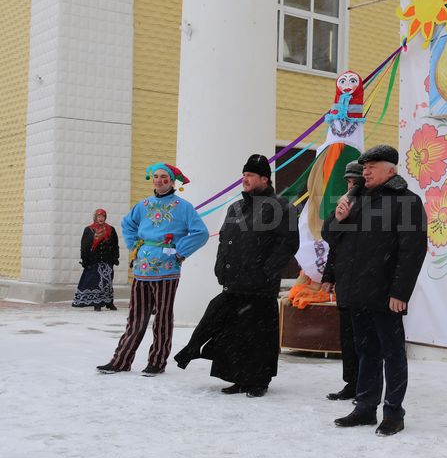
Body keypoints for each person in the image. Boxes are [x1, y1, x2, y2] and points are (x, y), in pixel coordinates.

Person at [173, 154, 299, 397]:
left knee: (258, 334)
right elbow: (224, 240)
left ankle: (258, 380)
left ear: (264, 178)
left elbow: (288, 243)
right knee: (234, 332)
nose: (245, 179)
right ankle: (238, 377)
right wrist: (220, 267)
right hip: (234, 282)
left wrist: (267, 270)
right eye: (243, 175)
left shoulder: (281, 206)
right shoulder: (236, 207)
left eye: (250, 175)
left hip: (261, 286)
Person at [323, 145, 427, 437]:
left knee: (392, 354)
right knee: (366, 351)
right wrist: (338, 219)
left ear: (390, 170)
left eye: (371, 166)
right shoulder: (355, 198)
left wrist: (400, 292)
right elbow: (331, 237)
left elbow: (412, 252)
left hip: (386, 294)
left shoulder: (406, 202)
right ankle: (365, 407)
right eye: (364, 166)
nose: (365, 171)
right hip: (356, 291)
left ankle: (394, 412)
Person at [97, 163, 209, 376]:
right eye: (155, 176)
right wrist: (135, 246)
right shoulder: (143, 205)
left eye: (163, 177)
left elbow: (200, 233)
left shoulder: (183, 207)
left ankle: (157, 362)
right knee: (136, 317)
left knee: (163, 317)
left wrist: (179, 252)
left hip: (167, 269)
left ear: (172, 180)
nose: (159, 180)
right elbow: (127, 224)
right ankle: (121, 360)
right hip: (142, 269)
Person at [321, 160, 364, 401]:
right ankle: (351, 382)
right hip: (346, 282)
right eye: (347, 181)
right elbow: (332, 240)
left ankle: (365, 385)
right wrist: (329, 276)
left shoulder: (371, 206)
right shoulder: (345, 204)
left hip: (366, 283)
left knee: (363, 340)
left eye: (353, 181)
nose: (349, 186)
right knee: (347, 338)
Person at [73, 209, 120, 311]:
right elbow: (85, 246)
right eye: (99, 217)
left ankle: (109, 302)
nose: (101, 219)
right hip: (94, 260)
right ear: (95, 218)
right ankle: (97, 303)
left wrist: (115, 257)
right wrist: (84, 259)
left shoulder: (111, 229)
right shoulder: (89, 230)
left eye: (102, 217)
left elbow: (115, 245)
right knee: (95, 282)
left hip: (107, 260)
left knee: (108, 282)